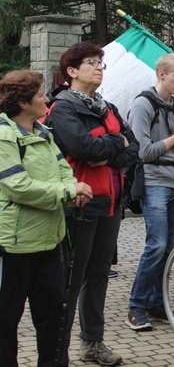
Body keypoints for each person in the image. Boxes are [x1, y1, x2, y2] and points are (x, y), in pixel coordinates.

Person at [45, 42, 139, 366]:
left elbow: (134, 148)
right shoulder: (63, 108)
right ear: (71, 71)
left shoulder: (107, 107)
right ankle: (58, 352)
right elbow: (84, 148)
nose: (99, 67)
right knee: (72, 279)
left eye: (101, 63)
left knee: (98, 274)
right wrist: (114, 144)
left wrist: (109, 149)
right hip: (80, 204)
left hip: (111, 203)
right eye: (91, 62)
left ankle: (92, 343)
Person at [0, 71, 93, 367]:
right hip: (14, 247)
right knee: (5, 323)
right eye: (41, 94)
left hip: (51, 242)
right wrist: (67, 190)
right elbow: (17, 187)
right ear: (23, 103)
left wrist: (73, 188)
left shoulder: (43, 132)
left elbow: (64, 169)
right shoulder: (4, 136)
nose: (47, 99)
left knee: (54, 320)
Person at [126, 54, 174, 331]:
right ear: (162, 73)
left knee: (166, 248)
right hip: (155, 182)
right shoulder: (143, 104)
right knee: (155, 246)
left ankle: (156, 304)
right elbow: (144, 152)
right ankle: (136, 306)